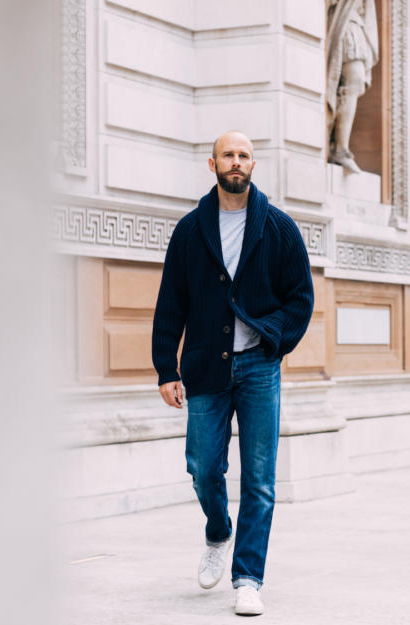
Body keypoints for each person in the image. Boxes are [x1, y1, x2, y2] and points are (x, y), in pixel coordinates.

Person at [152, 131, 314, 615]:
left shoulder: (279, 228)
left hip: (259, 367)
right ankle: (218, 530)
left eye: (244, 155)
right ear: (212, 163)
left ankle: (248, 577)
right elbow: (170, 304)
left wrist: (271, 337)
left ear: (253, 164)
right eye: (228, 155)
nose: (236, 162)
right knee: (203, 468)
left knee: (260, 479)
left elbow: (301, 299)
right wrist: (167, 367)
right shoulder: (189, 230)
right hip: (204, 366)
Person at [326, 0, 378, 173]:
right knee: (353, 78)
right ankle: (339, 148)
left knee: (355, 83)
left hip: (356, 23)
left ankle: (340, 146)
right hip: (344, 22)